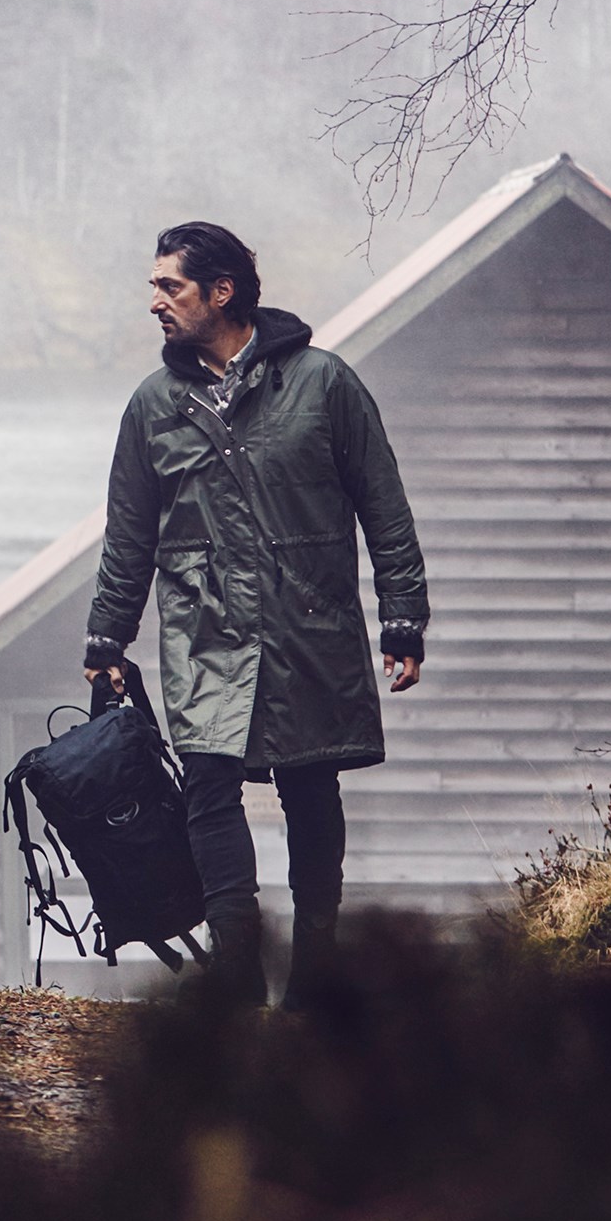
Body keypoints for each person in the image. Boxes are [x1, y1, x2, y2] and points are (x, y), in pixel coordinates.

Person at [80, 221, 427, 1006]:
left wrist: (402, 616)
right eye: (154, 287)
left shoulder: (322, 383)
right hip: (202, 629)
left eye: (169, 286)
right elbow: (127, 535)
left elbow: (383, 506)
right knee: (207, 783)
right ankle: (236, 976)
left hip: (307, 619)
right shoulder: (152, 406)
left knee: (310, 784)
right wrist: (107, 638)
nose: (154, 302)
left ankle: (313, 972)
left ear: (221, 290)